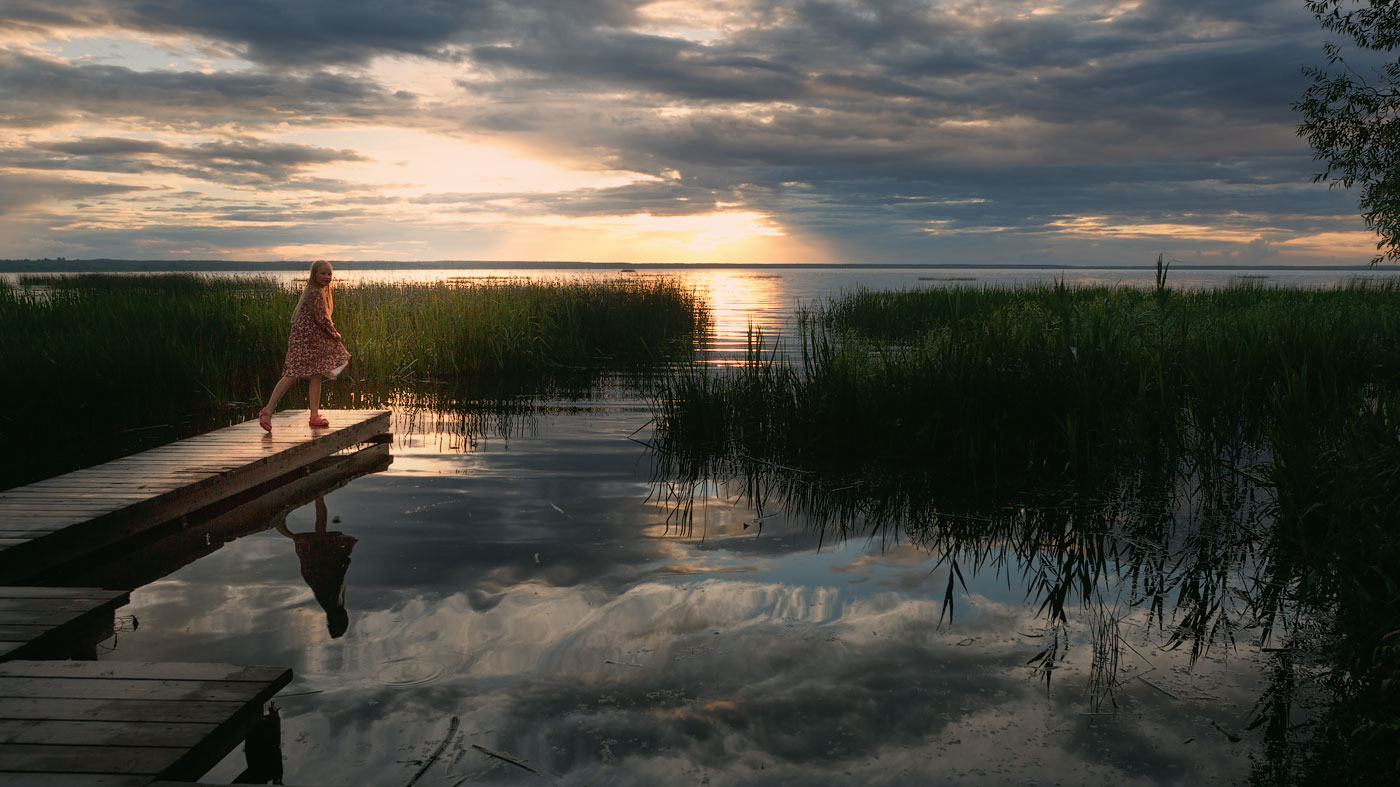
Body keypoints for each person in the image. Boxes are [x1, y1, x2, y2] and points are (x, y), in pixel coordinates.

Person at [259, 260, 351, 431]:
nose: (327, 277)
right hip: (304, 340)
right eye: (323, 273)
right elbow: (322, 318)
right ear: (314, 274)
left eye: (329, 274)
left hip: (311, 339)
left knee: (316, 374)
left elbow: (318, 318)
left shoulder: (315, 291)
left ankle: (314, 415)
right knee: (292, 373)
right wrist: (334, 334)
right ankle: (268, 410)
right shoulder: (314, 292)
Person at [275, 496, 357, 638]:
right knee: (318, 534)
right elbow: (337, 579)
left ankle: (280, 519)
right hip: (317, 570)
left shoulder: (332, 602)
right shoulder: (334, 604)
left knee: (316, 536)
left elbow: (337, 578)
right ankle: (316, 502)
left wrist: (345, 564)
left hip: (318, 568)